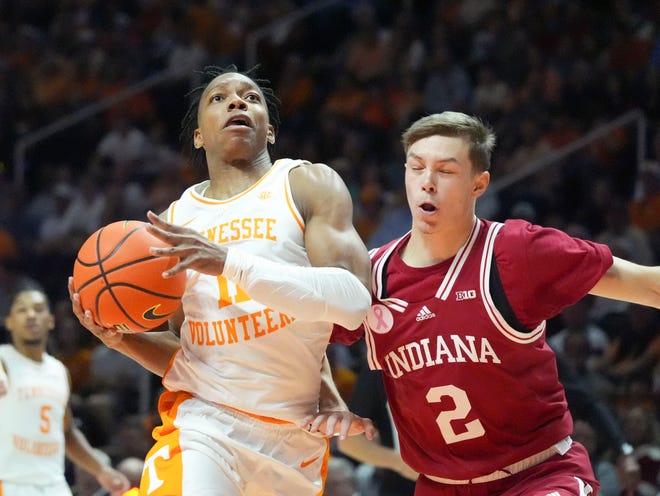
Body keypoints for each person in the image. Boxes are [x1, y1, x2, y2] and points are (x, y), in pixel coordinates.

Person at [69, 65, 375, 496]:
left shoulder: (306, 184)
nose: (237, 102)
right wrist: (121, 339)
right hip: (204, 425)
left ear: (269, 130)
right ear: (199, 136)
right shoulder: (175, 221)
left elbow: (354, 301)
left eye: (252, 98)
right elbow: (188, 354)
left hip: (293, 440)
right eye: (219, 98)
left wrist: (230, 262)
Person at [331, 111, 660, 496]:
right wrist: (323, 396)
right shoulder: (370, 275)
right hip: (442, 486)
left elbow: (646, 284)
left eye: (446, 171)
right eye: (417, 168)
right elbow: (303, 335)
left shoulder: (516, 251)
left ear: (479, 184)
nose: (427, 183)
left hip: (538, 476)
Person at [0, 288, 130, 496]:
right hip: (11, 482)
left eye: (38, 309)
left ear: (51, 320)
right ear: (9, 322)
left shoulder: (58, 370)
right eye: (22, 310)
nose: (31, 315)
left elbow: (67, 432)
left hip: (54, 483)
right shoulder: (4, 358)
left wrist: (101, 470)